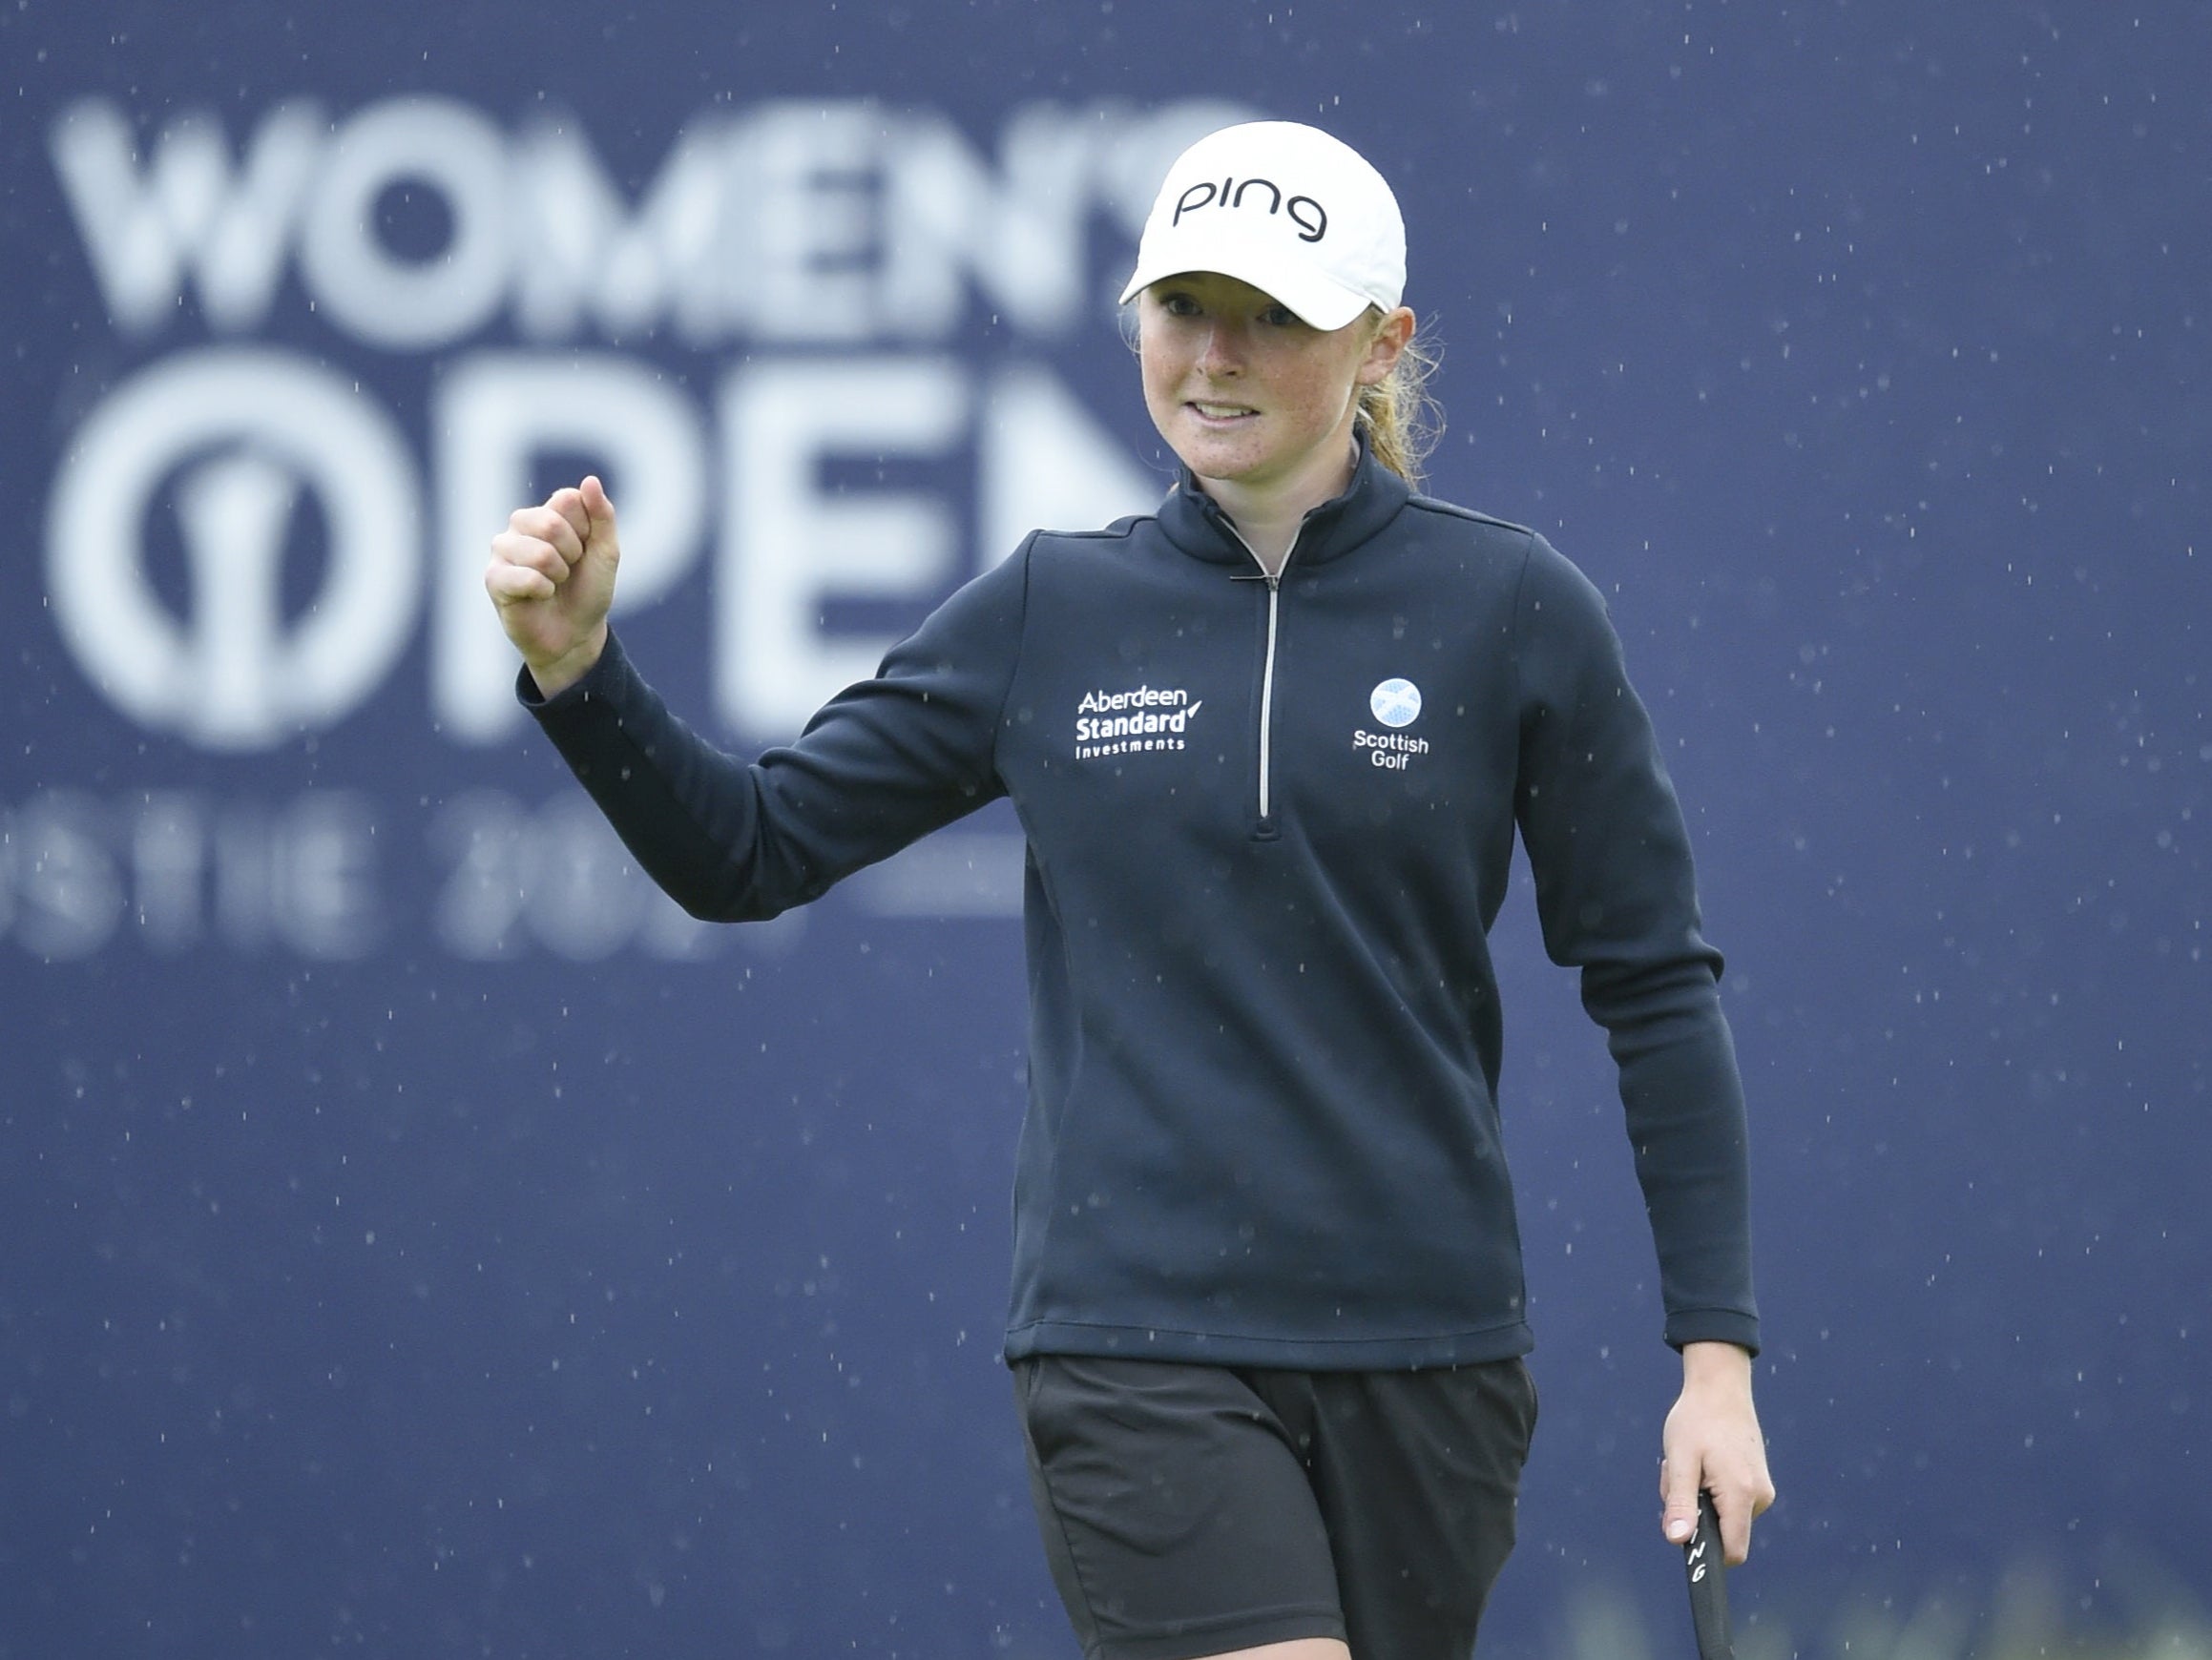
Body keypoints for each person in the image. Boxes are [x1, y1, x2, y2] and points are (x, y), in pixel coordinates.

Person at [486, 119, 1775, 1660]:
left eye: (1273, 317)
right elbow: (749, 852)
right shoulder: (1054, 606)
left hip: (1433, 1360)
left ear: (1382, 341)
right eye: (1181, 308)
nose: (1214, 357)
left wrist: (1715, 1367)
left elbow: (1648, 983)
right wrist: (580, 673)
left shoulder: (1513, 609)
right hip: (1132, 1344)